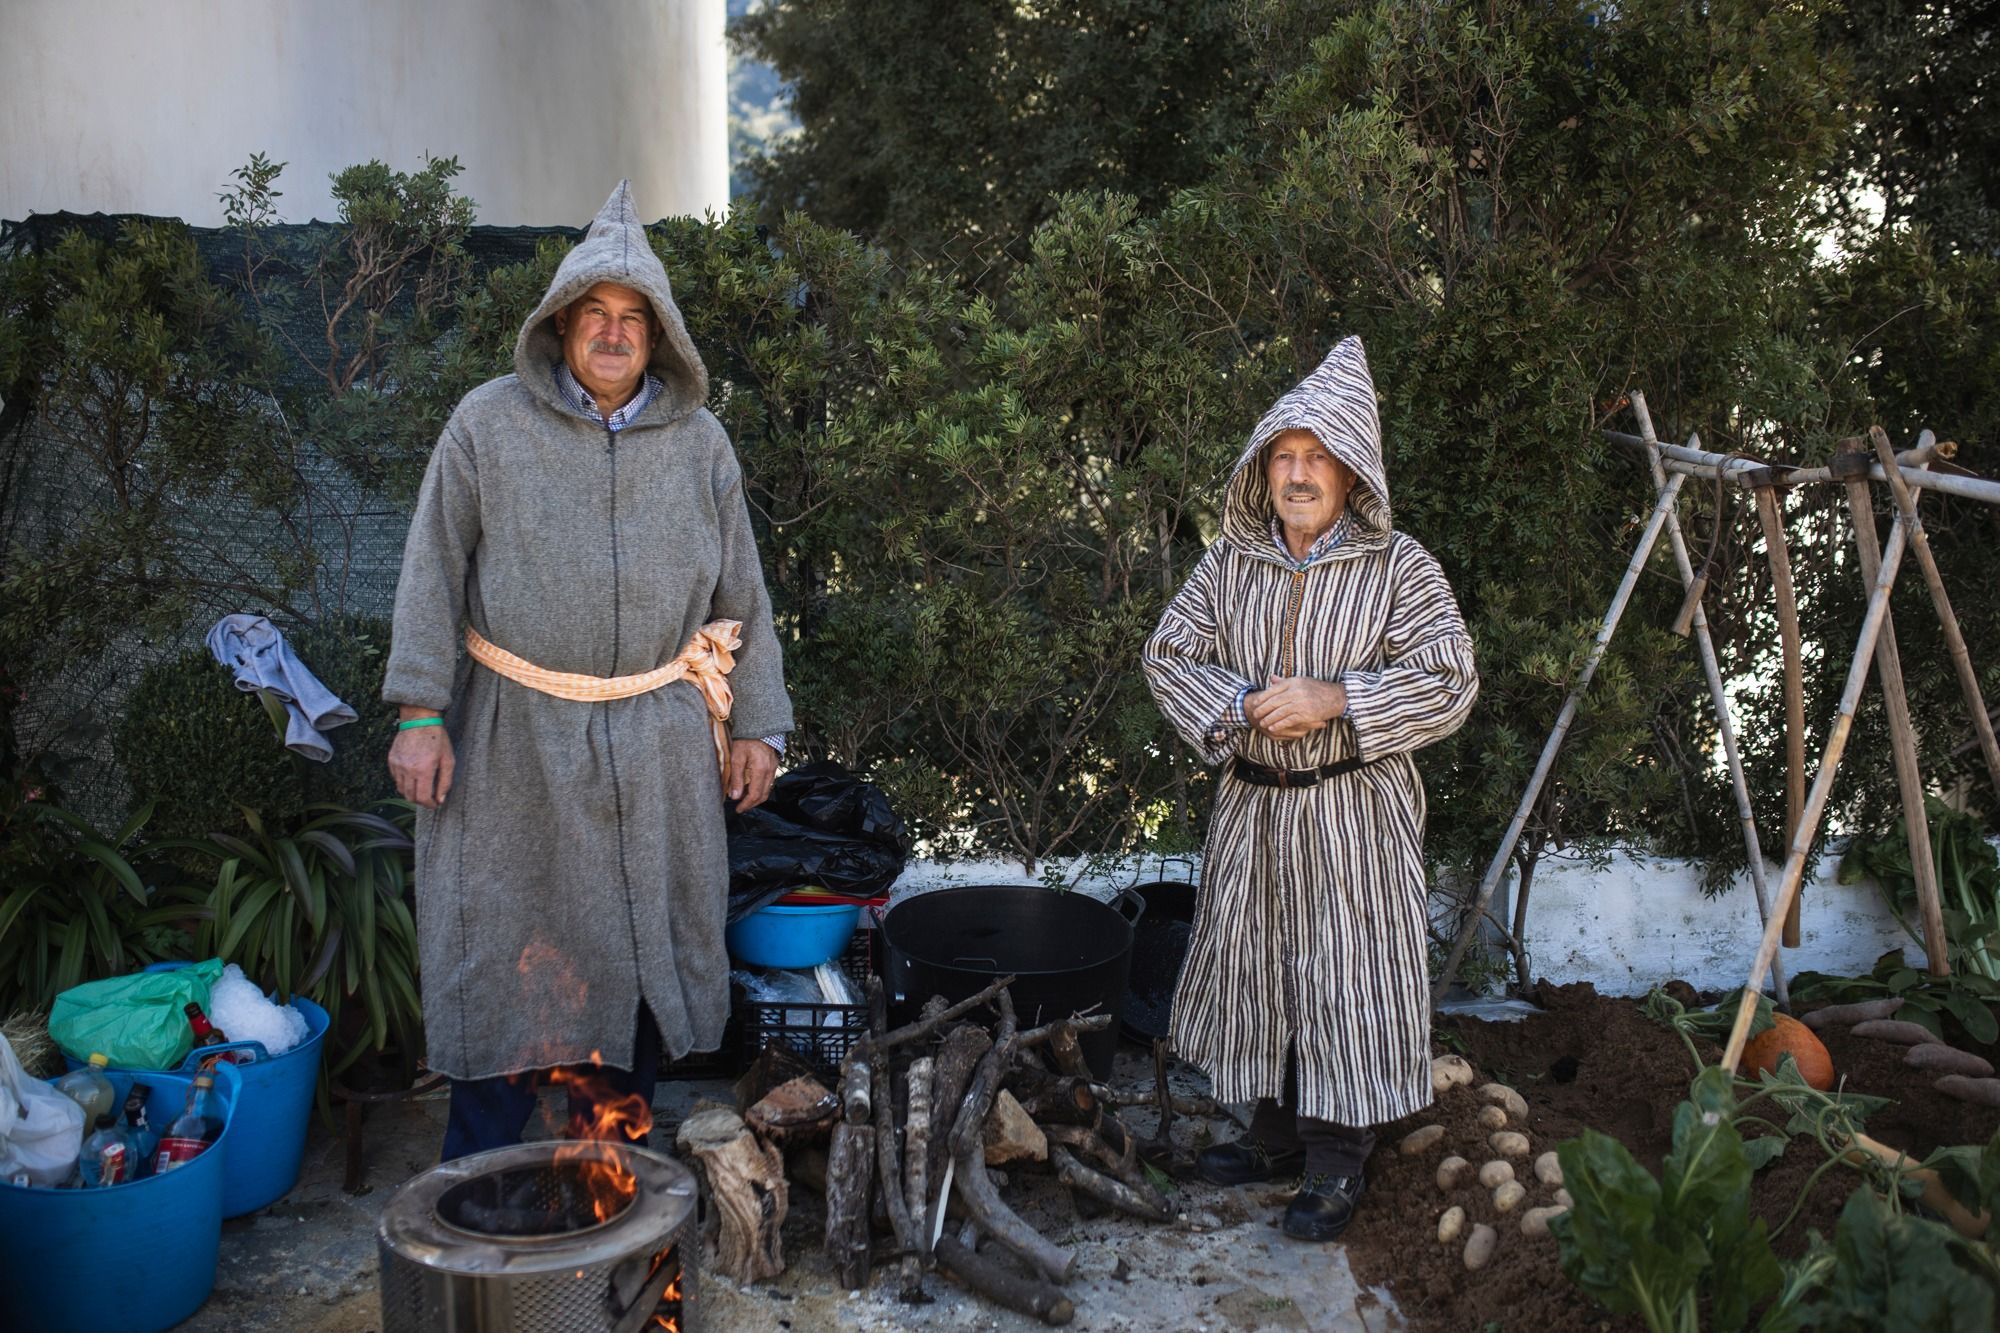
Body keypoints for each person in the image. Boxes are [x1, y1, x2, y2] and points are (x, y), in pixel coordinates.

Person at [383, 182, 794, 1160]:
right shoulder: (486, 427)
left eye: (633, 321)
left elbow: (742, 593)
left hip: (653, 740)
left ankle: (613, 1199)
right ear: (561, 326)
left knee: (632, 969)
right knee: (503, 966)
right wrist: (417, 712)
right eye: (595, 317)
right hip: (508, 739)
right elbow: (431, 567)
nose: (612, 336)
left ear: (659, 340)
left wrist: (757, 725)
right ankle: (483, 1204)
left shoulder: (699, 446)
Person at [1142, 336, 1477, 1241]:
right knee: (1257, 968)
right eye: (1283, 457)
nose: (1296, 475)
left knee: (1345, 975)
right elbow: (1168, 655)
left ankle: (1337, 1159)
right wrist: (1240, 705)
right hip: (1254, 805)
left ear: (1350, 471)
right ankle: (1273, 1133)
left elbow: (1451, 677)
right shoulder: (1228, 565)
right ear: (1263, 471)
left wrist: (1339, 698)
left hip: (1352, 810)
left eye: (1316, 458)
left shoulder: (1399, 567)